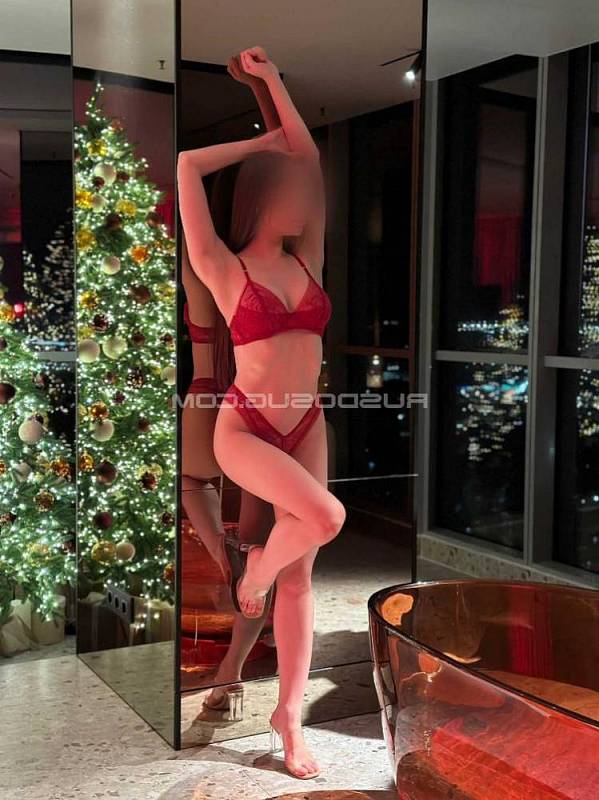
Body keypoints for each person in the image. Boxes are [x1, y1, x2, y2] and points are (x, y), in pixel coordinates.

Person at [178, 46, 345, 780]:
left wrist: (272, 80)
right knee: (326, 518)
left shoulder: (309, 258)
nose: (302, 202)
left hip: (307, 423)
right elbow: (187, 165)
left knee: (302, 577)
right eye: (287, 191)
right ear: (257, 197)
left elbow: (309, 161)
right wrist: (260, 143)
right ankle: (253, 580)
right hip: (245, 425)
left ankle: (289, 721)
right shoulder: (222, 266)